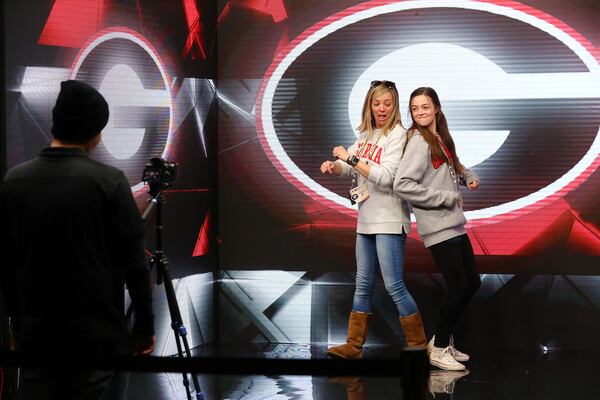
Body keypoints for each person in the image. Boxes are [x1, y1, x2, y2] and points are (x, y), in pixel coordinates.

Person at [0, 80, 155, 399]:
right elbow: (135, 266)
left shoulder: (14, 182)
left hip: (38, 341)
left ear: (55, 124)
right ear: (96, 131)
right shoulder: (109, 183)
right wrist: (144, 328)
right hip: (98, 343)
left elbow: (8, 265)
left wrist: (17, 326)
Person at [320, 80, 427, 359]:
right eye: (376, 103)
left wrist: (351, 159)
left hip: (390, 220)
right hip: (366, 219)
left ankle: (419, 345)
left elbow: (385, 177)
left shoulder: (398, 135)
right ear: (369, 104)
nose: (381, 108)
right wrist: (335, 166)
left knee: (393, 285)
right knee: (362, 283)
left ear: (394, 106)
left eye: (387, 103)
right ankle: (354, 346)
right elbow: (350, 166)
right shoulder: (367, 135)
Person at [393, 87, 481, 371]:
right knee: (458, 287)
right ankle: (439, 347)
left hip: (454, 223)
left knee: (472, 283)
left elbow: (450, 163)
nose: (420, 112)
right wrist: (445, 197)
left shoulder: (439, 137)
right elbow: (403, 184)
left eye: (425, 107)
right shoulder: (418, 141)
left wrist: (467, 175)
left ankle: (442, 341)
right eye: (415, 108)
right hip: (438, 226)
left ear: (437, 109)